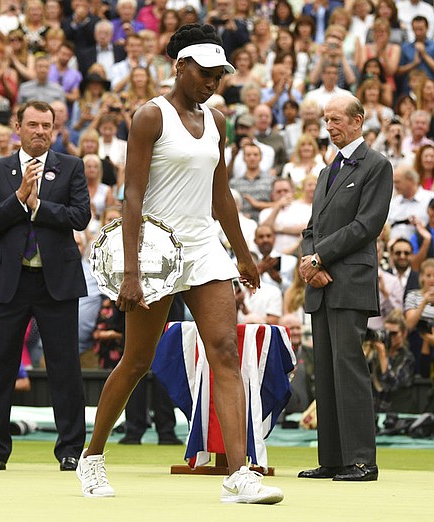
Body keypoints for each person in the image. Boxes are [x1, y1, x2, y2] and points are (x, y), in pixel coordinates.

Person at [75, 25, 284, 504]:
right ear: (180, 67)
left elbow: (221, 194)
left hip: (205, 248)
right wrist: (130, 271)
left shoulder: (218, 122)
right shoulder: (150, 116)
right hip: (153, 251)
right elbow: (131, 196)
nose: (212, 83)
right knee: (137, 361)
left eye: (219, 76)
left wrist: (244, 254)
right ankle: (92, 457)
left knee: (225, 352)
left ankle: (239, 473)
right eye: (206, 74)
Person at [0, 101, 90, 472]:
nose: (40, 131)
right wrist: (19, 200)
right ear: (17, 127)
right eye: (33, 124)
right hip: (9, 281)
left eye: (47, 125)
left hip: (56, 282)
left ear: (54, 129)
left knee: (65, 368)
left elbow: (80, 216)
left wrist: (39, 206)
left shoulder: (71, 166)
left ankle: (71, 449)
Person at [298, 94, 393, 482]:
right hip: (320, 283)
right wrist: (310, 261)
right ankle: (333, 459)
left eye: (336, 120)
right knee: (326, 371)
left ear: (358, 120)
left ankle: (361, 461)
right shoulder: (326, 171)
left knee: (349, 368)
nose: (330, 127)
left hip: (349, 281)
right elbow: (310, 229)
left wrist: (318, 257)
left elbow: (366, 226)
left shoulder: (377, 166)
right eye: (326, 120)